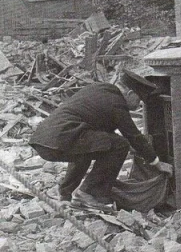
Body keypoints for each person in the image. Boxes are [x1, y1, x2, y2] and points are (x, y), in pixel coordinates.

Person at [29, 79, 172, 210]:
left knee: (88, 148)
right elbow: (133, 135)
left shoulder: (101, 89)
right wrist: (156, 162)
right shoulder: (116, 103)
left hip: (44, 141)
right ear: (130, 93)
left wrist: (65, 194)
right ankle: (90, 193)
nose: (140, 104)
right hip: (60, 139)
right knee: (120, 145)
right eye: (139, 99)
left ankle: (66, 194)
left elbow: (89, 143)